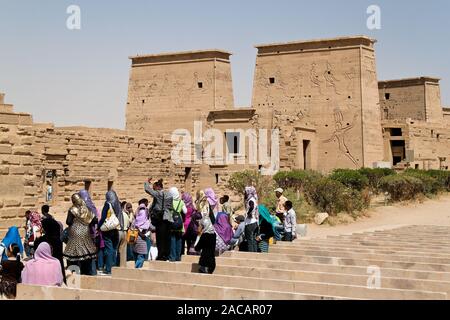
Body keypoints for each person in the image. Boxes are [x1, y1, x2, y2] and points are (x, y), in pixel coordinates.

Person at [64, 193, 97, 275]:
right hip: (85, 232)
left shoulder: (72, 209)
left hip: (75, 232)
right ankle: (86, 272)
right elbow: (94, 220)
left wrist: (76, 220)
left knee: (73, 254)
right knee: (86, 252)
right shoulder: (86, 209)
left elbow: (68, 221)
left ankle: (74, 272)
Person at [144, 178, 173, 261]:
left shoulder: (158, 194)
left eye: (154, 188)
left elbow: (147, 190)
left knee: (160, 238)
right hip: (168, 218)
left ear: (157, 187)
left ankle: (161, 256)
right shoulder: (169, 194)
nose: (154, 190)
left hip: (161, 218)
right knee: (167, 238)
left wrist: (147, 182)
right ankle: (166, 255)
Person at [34, 218, 66, 284]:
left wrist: (37, 238)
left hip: (47, 268)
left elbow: (36, 249)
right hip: (57, 267)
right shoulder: (58, 239)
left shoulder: (44, 239)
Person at [97, 190, 121, 275]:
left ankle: (108, 269)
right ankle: (113, 267)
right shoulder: (118, 204)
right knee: (114, 249)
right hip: (115, 228)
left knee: (109, 250)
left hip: (108, 229)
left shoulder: (108, 204)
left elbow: (103, 217)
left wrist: (98, 227)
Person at [79, 189, 100, 275]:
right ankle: (93, 273)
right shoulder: (92, 205)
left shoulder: (82, 207)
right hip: (93, 234)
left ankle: (85, 274)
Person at [131, 200, 152, 268]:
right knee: (141, 256)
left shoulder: (135, 219)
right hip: (141, 239)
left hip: (135, 238)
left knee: (137, 255)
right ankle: (136, 270)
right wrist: (142, 234)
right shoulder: (144, 220)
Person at [168, 187, 187, 262]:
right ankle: (178, 257)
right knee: (179, 240)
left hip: (171, 223)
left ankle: (172, 257)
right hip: (179, 223)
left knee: (172, 240)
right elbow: (185, 211)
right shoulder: (181, 202)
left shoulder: (169, 202)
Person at [244, 186, 259, 252]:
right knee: (254, 241)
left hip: (250, 223)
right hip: (255, 222)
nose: (244, 193)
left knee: (250, 240)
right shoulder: (254, 199)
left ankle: (251, 255)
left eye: (245, 192)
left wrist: (249, 213)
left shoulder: (250, 200)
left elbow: (251, 206)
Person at [117, 201, 132, 267]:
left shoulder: (118, 214)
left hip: (118, 231)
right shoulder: (126, 214)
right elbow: (129, 223)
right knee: (123, 250)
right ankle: (122, 265)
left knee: (116, 249)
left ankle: (114, 264)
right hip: (125, 232)